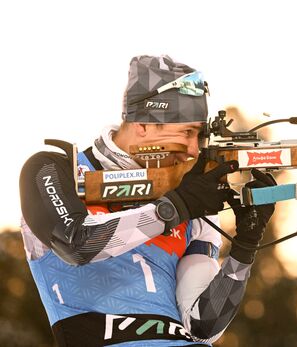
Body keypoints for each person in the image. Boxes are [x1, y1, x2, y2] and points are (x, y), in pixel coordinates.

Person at [19, 55, 276, 346]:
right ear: (143, 124)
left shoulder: (189, 198)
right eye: (186, 132)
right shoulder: (55, 169)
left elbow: (204, 326)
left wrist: (244, 247)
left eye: (200, 135)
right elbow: (77, 243)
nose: (193, 150)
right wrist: (175, 208)